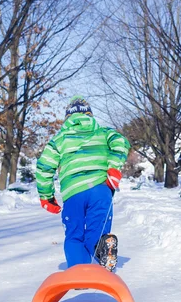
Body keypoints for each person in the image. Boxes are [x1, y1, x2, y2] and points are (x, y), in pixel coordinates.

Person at [35, 95, 130, 272]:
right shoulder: (103, 132)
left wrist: (47, 196)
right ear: (89, 115)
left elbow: (44, 168)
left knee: (74, 234)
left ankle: (79, 273)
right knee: (98, 229)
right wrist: (113, 167)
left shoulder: (59, 140)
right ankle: (103, 250)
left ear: (68, 117)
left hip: (74, 193)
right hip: (101, 190)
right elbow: (121, 142)